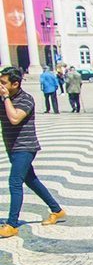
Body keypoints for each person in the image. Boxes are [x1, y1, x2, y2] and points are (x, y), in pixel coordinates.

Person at [0, 66, 66, 238]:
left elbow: (14, 118)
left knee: (15, 182)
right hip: (12, 147)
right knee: (31, 180)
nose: (1, 85)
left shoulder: (26, 99)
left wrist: (6, 98)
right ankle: (57, 210)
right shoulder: (3, 99)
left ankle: (12, 224)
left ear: (15, 84)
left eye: (3, 83)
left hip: (25, 147)